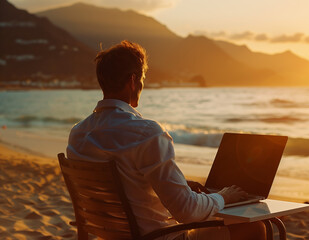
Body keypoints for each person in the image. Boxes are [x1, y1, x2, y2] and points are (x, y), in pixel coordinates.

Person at [67, 40, 266, 240]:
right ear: (133, 81)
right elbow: (186, 212)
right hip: (158, 237)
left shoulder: (78, 134)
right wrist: (223, 196)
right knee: (254, 227)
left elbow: (124, 181)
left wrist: (179, 184)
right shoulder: (147, 133)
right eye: (143, 78)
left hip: (109, 236)